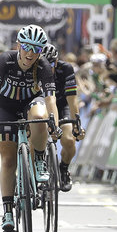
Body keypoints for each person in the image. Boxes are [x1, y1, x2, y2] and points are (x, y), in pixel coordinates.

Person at [0, 24, 60, 232]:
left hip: (30, 104)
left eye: (36, 49)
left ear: (41, 51)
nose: (30, 53)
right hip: (6, 107)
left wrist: (55, 122)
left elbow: (50, 98)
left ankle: (40, 161)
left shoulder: (43, 65)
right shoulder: (5, 59)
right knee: (8, 159)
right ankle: (7, 211)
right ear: (18, 45)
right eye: (26, 47)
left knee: (40, 116)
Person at [47, 42, 86, 192]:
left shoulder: (66, 69)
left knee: (69, 141)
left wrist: (76, 122)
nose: (49, 67)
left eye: (52, 63)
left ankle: (63, 168)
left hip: (61, 105)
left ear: (57, 60)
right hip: (42, 105)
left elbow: (72, 98)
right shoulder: (34, 69)